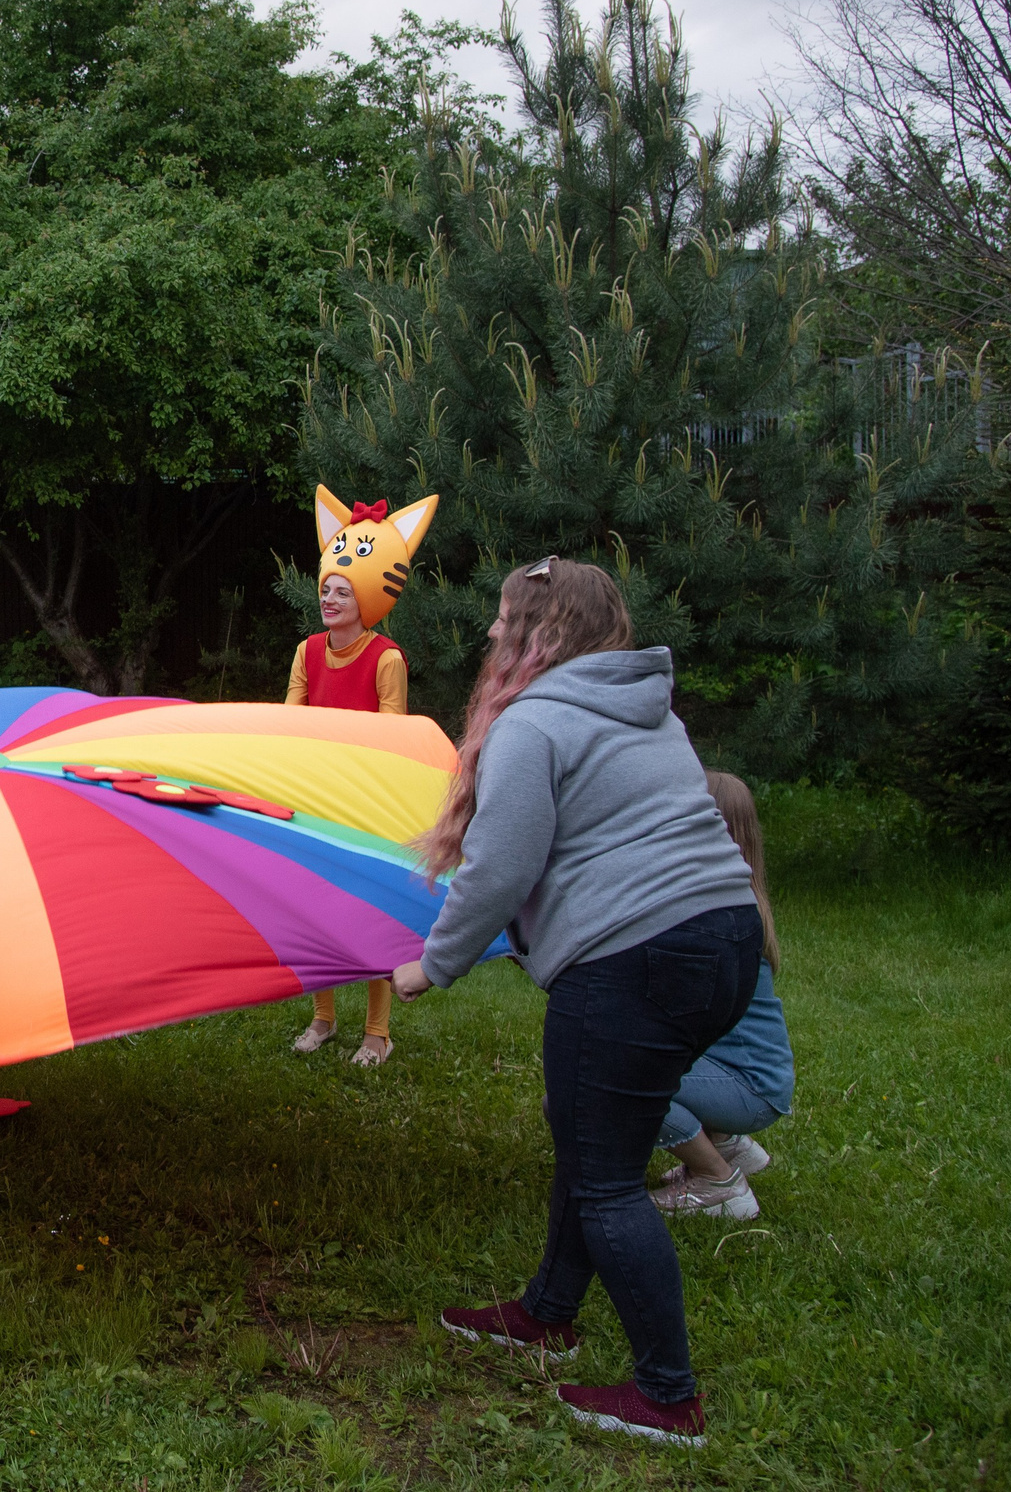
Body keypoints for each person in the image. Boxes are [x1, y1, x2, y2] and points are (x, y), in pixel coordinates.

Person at [391, 557, 762, 1448]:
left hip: (636, 958)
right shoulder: (649, 713)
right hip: (726, 943)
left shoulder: (534, 723)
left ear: (543, 634)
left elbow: (501, 866)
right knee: (592, 1128)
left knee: (605, 1178)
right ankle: (548, 1311)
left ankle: (667, 1397)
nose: (491, 632)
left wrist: (432, 966)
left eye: (504, 617)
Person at [288, 485, 439, 1067]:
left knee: (370, 912)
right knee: (315, 908)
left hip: (364, 801)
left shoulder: (386, 658)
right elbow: (289, 725)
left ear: (370, 595)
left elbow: (391, 739)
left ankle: (377, 1032)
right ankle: (323, 1017)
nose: (330, 599)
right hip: (314, 794)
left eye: (343, 590)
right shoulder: (307, 651)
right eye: (326, 588)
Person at [646, 771, 794, 1222]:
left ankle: (718, 1181)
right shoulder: (736, 903)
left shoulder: (715, 918)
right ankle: (724, 1144)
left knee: (630, 1080)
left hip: (750, 1085)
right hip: (750, 1075)